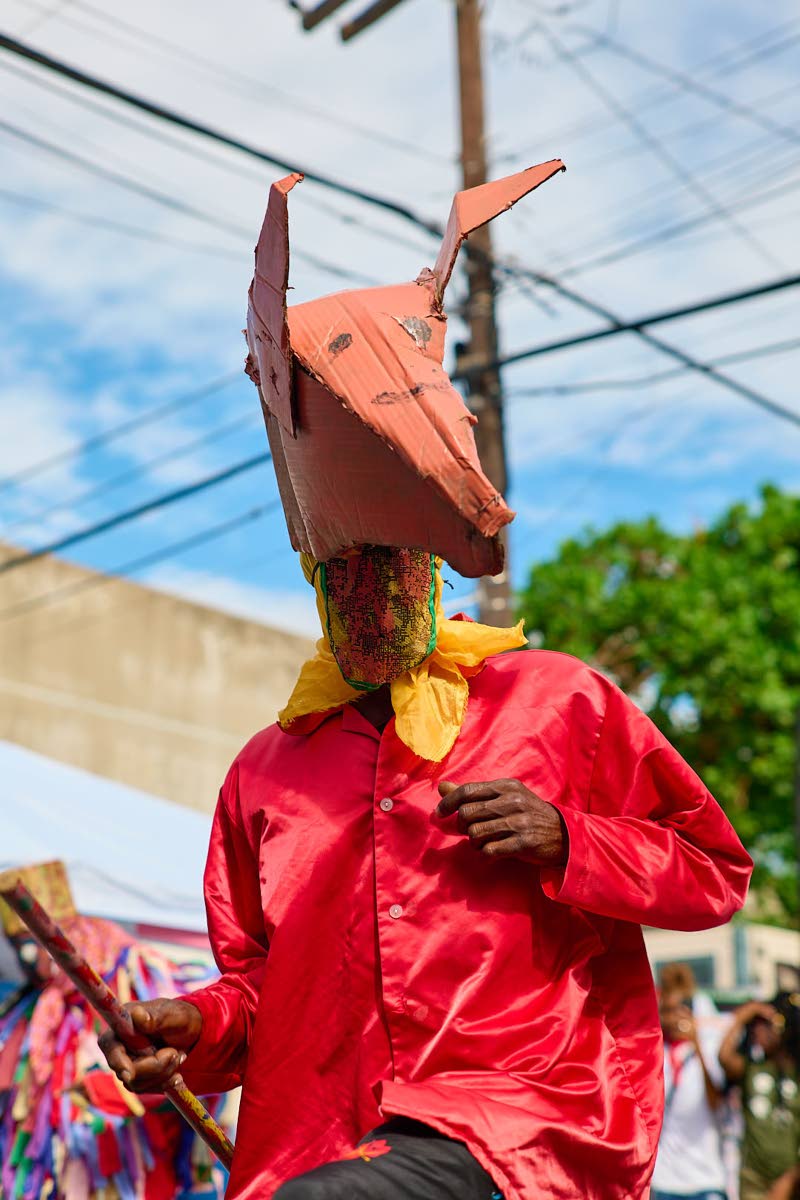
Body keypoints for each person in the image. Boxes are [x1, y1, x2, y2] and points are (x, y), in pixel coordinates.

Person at [99, 165, 753, 1200]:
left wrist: (571, 838)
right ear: (314, 577)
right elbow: (258, 992)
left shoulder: (554, 699)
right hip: (314, 1141)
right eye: (341, 573)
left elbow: (711, 869)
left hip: (518, 1127)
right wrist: (197, 1026)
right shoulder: (264, 773)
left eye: (389, 564)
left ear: (429, 564)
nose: (367, 594)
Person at [0, 859, 227, 1200]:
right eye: (17, 945)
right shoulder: (28, 1009)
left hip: (137, 1175)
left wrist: (109, 1093)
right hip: (64, 1180)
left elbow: (192, 1067)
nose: (29, 957)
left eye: (33, 940)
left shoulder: (134, 980)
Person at [651, 964, 728, 1200]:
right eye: (667, 1011)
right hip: (664, 1181)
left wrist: (698, 1046)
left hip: (706, 1180)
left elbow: (716, 1102)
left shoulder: (707, 1048)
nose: (673, 1018)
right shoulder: (655, 1054)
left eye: (678, 1011)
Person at [719, 993, 800, 1200]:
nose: (756, 1031)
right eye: (754, 1025)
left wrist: (791, 1178)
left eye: (764, 1025)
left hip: (791, 1181)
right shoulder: (752, 1068)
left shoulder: (796, 1074)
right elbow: (724, 1057)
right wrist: (742, 1016)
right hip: (753, 1180)